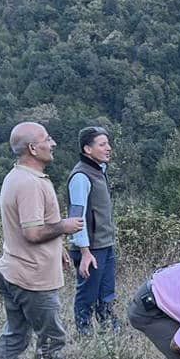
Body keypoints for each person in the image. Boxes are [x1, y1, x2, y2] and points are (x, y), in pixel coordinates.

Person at [0, 121, 86, 359]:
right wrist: (65, 227)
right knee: (53, 337)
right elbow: (32, 233)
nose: (53, 142)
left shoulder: (17, 176)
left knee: (16, 335)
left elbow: (33, 226)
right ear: (33, 148)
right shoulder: (30, 184)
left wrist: (57, 247)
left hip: (12, 270)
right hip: (31, 279)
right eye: (47, 139)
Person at [68, 126, 119, 336]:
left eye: (108, 143)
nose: (108, 148)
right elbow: (76, 217)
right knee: (87, 296)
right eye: (102, 144)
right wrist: (85, 251)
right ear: (88, 149)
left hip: (105, 245)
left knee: (106, 294)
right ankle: (85, 336)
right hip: (91, 249)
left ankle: (111, 334)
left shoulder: (100, 171)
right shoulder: (81, 177)